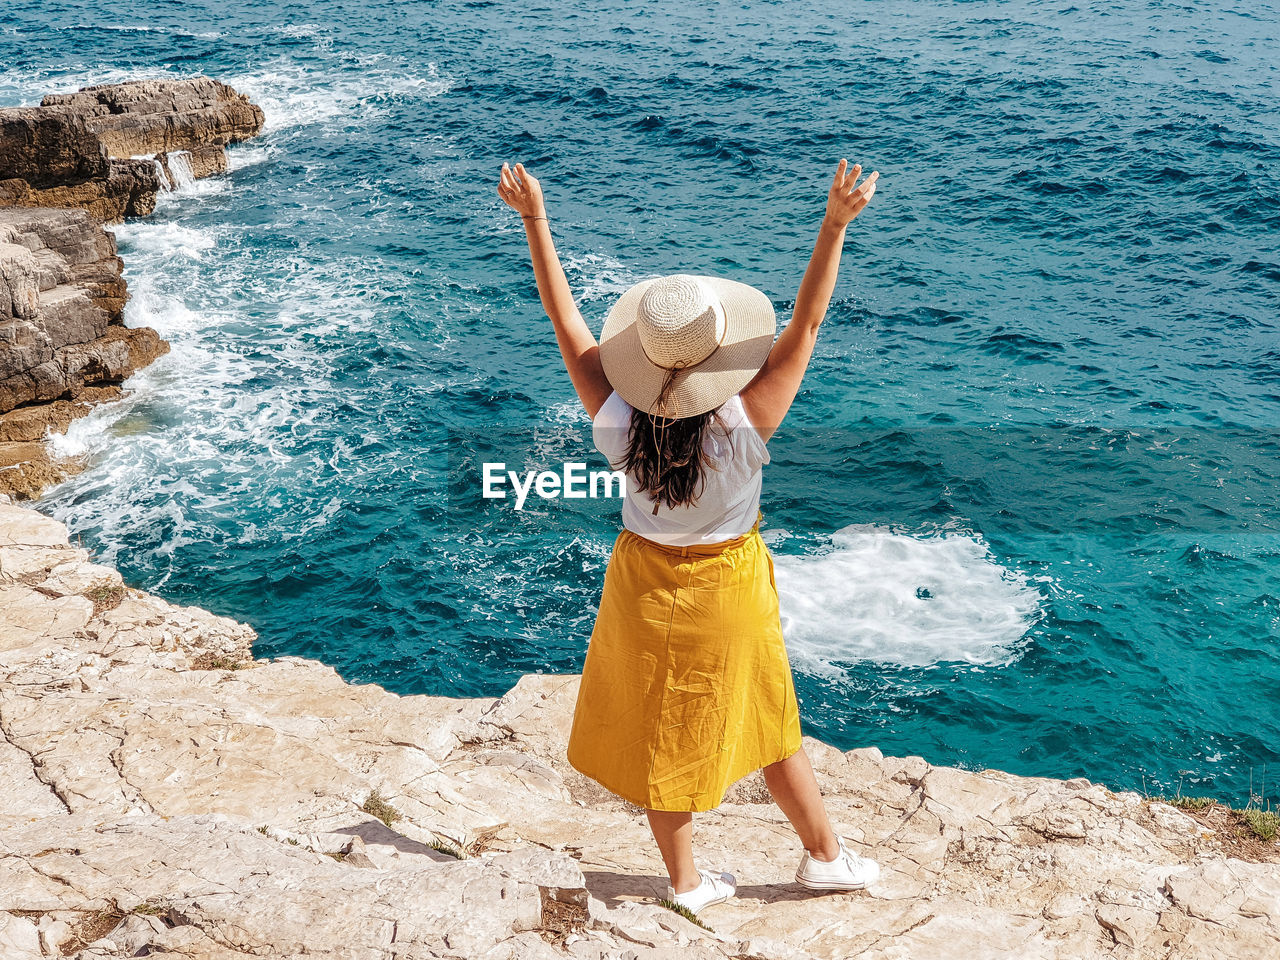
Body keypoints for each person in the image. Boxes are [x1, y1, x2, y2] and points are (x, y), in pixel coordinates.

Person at [497, 157, 880, 914]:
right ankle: (825, 859)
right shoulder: (746, 423)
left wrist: (535, 222)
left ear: (645, 361)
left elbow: (563, 319)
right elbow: (806, 322)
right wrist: (834, 224)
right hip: (728, 585)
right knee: (771, 720)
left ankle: (686, 884)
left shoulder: (617, 425)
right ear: (717, 361)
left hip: (643, 586)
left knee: (663, 737)